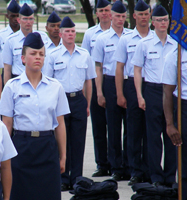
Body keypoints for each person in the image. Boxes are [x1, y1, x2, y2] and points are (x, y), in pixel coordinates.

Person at [0, 32, 70, 199]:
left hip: (47, 147)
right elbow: (6, 125)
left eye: (41, 54)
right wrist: (3, 157)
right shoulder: (12, 87)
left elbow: (60, 124)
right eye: (33, 53)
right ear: (23, 58)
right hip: (21, 148)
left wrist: (63, 156)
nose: (38, 57)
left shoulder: (55, 87)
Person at [44, 16, 96, 191]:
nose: (71, 34)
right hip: (60, 102)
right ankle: (63, 177)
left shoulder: (84, 55)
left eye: (73, 31)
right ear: (60, 33)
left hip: (78, 100)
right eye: (67, 31)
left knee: (79, 141)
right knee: (61, 141)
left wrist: (87, 104)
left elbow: (89, 81)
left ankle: (77, 178)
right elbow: (48, 82)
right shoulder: (53, 55)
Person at [131, 5, 177, 186]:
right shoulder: (144, 44)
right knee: (153, 137)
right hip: (152, 91)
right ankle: (156, 176)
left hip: (171, 92)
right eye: (159, 20)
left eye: (165, 20)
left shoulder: (176, 44)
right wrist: (140, 96)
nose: (162, 23)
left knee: (172, 135)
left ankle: (170, 176)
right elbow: (137, 70)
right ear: (153, 22)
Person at [113, 0, 152, 185]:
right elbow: (119, 68)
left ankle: (150, 169)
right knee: (133, 129)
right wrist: (120, 94)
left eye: (146, 14)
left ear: (150, 15)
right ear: (134, 16)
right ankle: (135, 170)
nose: (143, 17)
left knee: (151, 130)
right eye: (140, 14)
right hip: (131, 85)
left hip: (152, 85)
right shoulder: (126, 39)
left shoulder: (156, 37)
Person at [93, 0, 130, 181]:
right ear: (111, 16)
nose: (120, 19)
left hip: (127, 82)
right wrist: (99, 92)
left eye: (123, 16)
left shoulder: (132, 37)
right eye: (117, 16)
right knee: (113, 126)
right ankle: (116, 167)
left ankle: (129, 164)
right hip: (109, 82)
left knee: (130, 127)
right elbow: (98, 67)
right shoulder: (102, 39)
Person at [81, 0, 111, 177]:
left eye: (107, 10)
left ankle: (119, 162)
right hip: (95, 81)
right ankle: (102, 164)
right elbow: (85, 61)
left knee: (117, 127)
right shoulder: (90, 34)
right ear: (97, 14)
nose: (105, 13)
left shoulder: (123, 33)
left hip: (116, 81)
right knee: (99, 126)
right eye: (101, 10)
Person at [2, 3, 49, 84]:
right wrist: (7, 88)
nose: (28, 22)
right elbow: (7, 69)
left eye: (31, 19)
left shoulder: (43, 37)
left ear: (34, 20)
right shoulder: (11, 40)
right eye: (25, 19)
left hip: (38, 79)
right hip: (18, 80)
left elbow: (47, 63)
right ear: (19, 20)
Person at [162, 47, 187, 199]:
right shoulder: (176, 55)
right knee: (185, 163)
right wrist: (170, 124)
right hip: (184, 107)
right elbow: (167, 91)